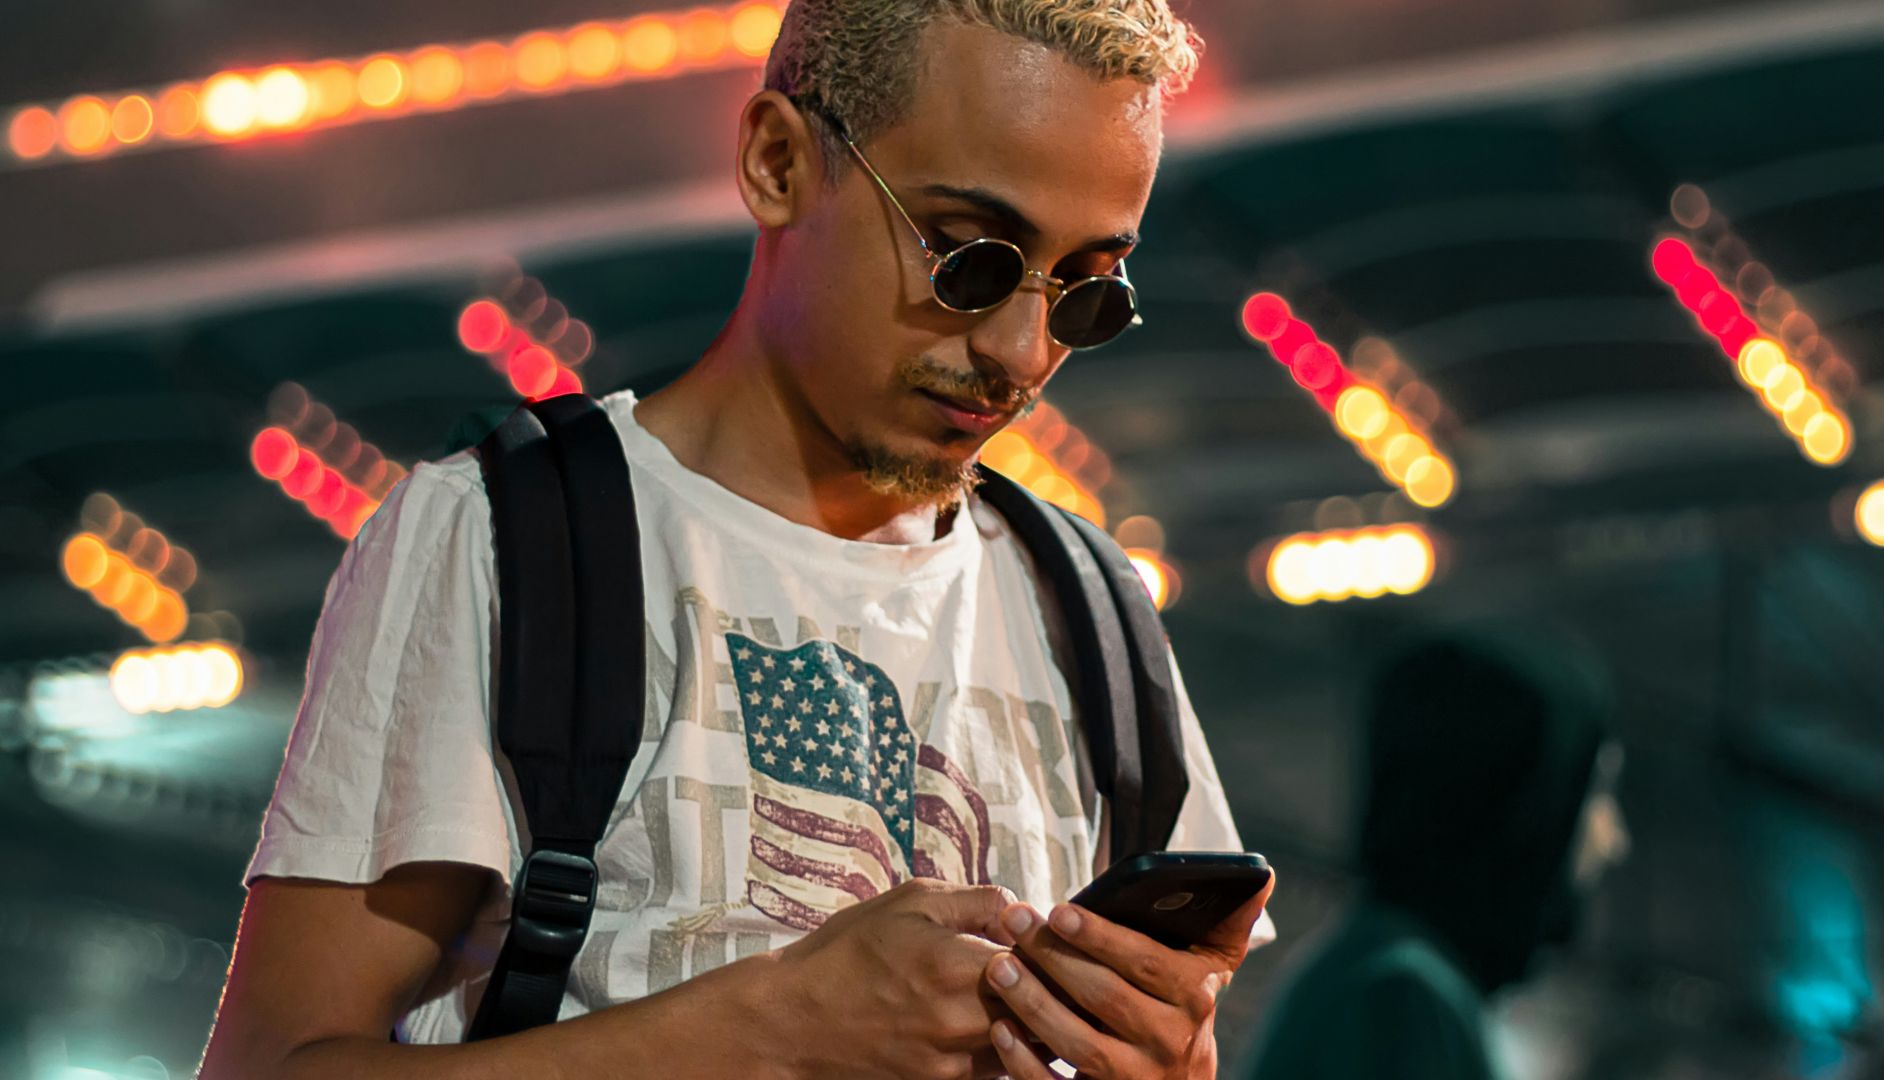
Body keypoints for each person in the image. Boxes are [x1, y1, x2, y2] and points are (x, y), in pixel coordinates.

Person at [199, 2, 1276, 1077]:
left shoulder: (1090, 607)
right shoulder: (506, 540)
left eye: (1086, 288)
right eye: (968, 257)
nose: (1020, 348)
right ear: (776, 162)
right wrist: (772, 1026)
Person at [1240, 631, 1631, 1080]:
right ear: (1526, 803)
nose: (1614, 839)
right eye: (1597, 795)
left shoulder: (1383, 974)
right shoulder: (1400, 997)